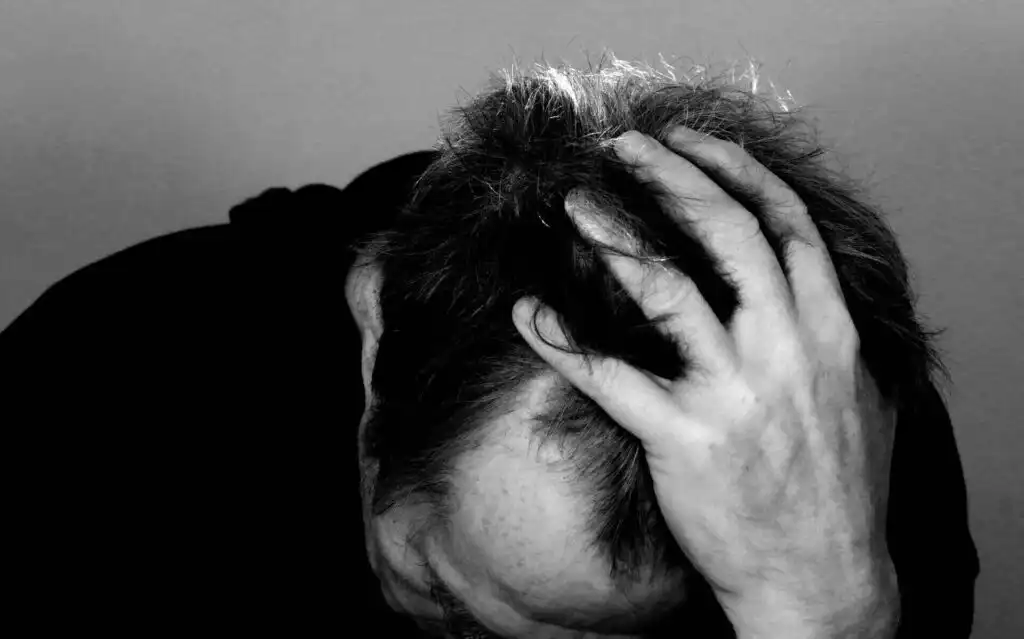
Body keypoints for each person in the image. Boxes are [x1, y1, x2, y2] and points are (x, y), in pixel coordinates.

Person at [1, 58, 979, 637]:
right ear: (379, 348)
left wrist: (822, 613)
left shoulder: (847, 460)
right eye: (446, 602)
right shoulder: (97, 389)